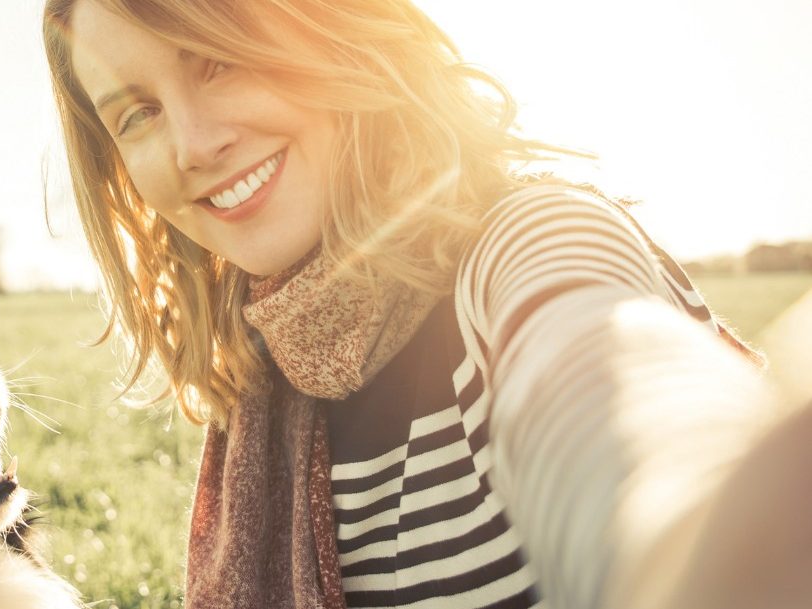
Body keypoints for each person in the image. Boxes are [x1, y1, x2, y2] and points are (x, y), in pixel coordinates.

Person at [40, 1, 810, 608]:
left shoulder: (531, 240)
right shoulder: (264, 369)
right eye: (137, 114)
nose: (192, 144)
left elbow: (599, 378)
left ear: (333, 29)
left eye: (219, 60)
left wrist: (702, 532)